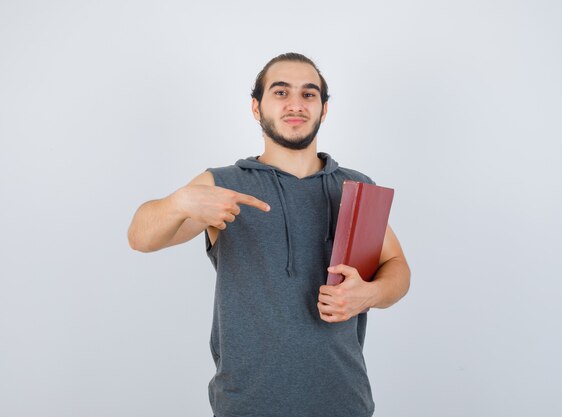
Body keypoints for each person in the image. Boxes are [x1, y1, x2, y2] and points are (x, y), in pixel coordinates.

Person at [127, 52, 410, 417]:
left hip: (345, 401)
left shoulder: (355, 186)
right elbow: (140, 237)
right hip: (248, 405)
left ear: (324, 110)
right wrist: (180, 202)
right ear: (256, 108)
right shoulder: (223, 185)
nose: (295, 104)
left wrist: (369, 294)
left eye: (309, 94)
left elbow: (397, 266)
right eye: (280, 92)